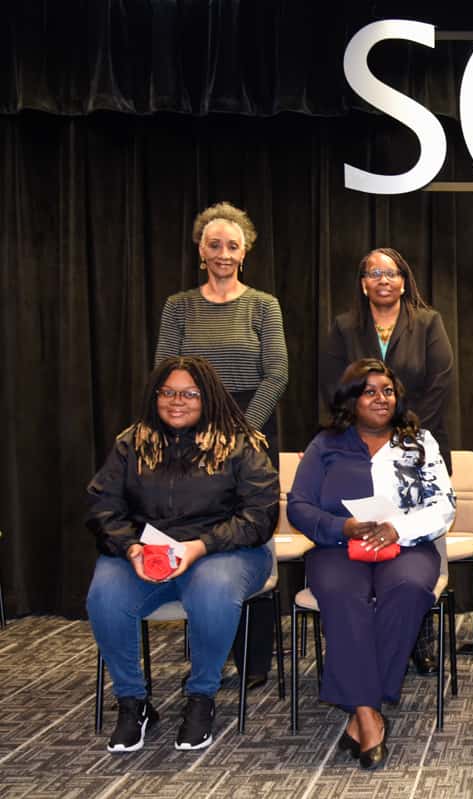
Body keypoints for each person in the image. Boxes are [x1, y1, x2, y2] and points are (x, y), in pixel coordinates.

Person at [87, 356, 278, 753]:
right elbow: (103, 508)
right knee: (104, 594)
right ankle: (132, 702)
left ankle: (201, 697)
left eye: (190, 393)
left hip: (225, 552)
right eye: (168, 392)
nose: (178, 401)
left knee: (212, 590)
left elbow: (260, 517)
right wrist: (131, 547)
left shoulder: (241, 443)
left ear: (208, 397)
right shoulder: (132, 443)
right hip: (146, 554)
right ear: (155, 395)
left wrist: (200, 546)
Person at [286, 358, 455, 770]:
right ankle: (368, 712)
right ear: (351, 399)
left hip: (407, 544)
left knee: (411, 589)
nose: (381, 398)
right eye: (369, 391)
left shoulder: (419, 442)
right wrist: (342, 526)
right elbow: (299, 507)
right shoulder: (325, 444)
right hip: (339, 547)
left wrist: (399, 529)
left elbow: (444, 506)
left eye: (388, 391)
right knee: (345, 597)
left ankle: (359, 706)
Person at [155, 201, 288, 685]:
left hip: (250, 430)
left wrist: (241, 430)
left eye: (233, 245)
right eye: (215, 245)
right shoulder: (179, 306)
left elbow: (277, 373)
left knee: (251, 536)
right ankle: (209, 647)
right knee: (197, 536)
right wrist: (191, 426)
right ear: (200, 250)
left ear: (245, 251)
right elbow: (166, 373)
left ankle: (254, 660)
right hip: (187, 431)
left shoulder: (263, 305)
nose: (224, 254)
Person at [319, 246, 455, 674]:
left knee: (418, 536)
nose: (383, 279)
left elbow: (441, 381)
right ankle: (367, 633)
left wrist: (403, 431)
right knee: (367, 535)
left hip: (417, 442)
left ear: (403, 280)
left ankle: (420, 636)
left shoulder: (428, 322)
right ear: (363, 283)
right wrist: (366, 428)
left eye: (391, 272)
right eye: (374, 272)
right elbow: (332, 386)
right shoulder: (343, 328)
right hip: (358, 446)